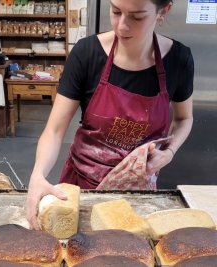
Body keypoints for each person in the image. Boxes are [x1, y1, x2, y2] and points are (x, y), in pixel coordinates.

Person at [26, 0, 194, 230]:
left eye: (136, 17)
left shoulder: (179, 60)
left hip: (137, 195)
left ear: (163, 11)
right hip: (83, 188)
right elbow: (54, 131)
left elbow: (184, 119)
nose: (122, 26)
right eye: (115, 12)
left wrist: (170, 152)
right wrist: (38, 174)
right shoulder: (87, 54)